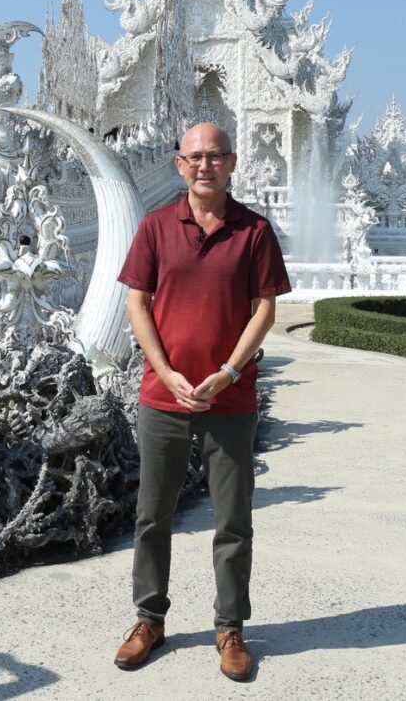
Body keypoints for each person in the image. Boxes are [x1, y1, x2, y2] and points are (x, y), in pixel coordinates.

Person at [113, 123, 291, 682]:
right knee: (152, 517)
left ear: (232, 163)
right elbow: (137, 304)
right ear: (180, 165)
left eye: (215, 156)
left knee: (233, 520)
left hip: (230, 400)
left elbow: (265, 309)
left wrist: (229, 371)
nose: (205, 165)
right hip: (162, 398)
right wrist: (166, 372)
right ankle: (149, 620)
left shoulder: (254, 231)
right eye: (194, 157)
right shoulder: (156, 227)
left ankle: (230, 626)